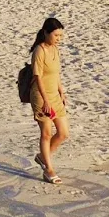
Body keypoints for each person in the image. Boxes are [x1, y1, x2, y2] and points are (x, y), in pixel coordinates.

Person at [27, 17, 69, 184]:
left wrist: (61, 92)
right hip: (40, 95)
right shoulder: (40, 50)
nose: (59, 39)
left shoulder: (55, 50)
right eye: (56, 35)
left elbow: (56, 74)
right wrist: (45, 100)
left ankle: (42, 157)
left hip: (55, 95)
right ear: (46, 33)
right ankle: (48, 170)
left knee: (63, 133)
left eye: (60, 36)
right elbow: (38, 78)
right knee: (46, 133)